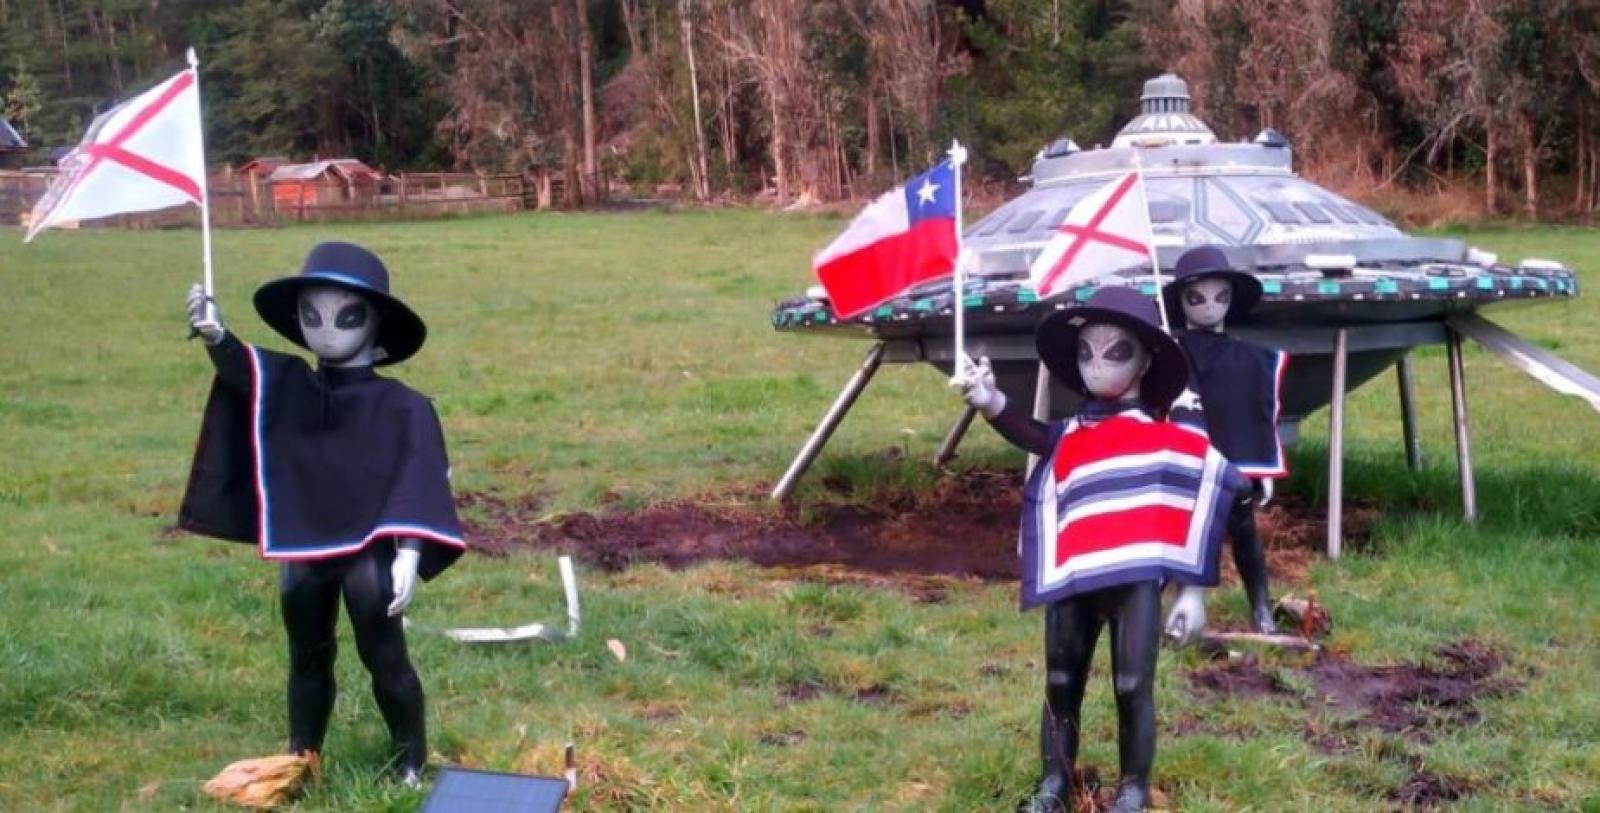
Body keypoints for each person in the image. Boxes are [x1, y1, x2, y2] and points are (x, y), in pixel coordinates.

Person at [178, 241, 465, 785]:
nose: (326, 329)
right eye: (312, 315)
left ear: (376, 324)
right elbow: (248, 374)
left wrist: (409, 551)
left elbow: (419, 476)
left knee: (384, 654)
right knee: (306, 655)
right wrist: (217, 337)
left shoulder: (404, 406)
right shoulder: (294, 388)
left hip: (368, 551)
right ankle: (302, 757)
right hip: (305, 547)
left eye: (346, 316)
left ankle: (409, 760)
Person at [954, 286, 1244, 813]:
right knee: (1060, 680)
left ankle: (1133, 787)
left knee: (1133, 684)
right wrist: (991, 402)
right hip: (1075, 571)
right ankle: (1054, 782)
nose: (1097, 365)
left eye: (1116, 352)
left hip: (1135, 578)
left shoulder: (1167, 439)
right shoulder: (1071, 434)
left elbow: (1220, 489)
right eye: (1085, 352)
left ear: (1145, 360)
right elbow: (1034, 435)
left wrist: (1192, 590)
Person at [1161, 246, 1288, 633]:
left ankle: (1261, 606)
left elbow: (1253, 411)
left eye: (1220, 296)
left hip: (1233, 463)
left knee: (1242, 523)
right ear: (1181, 300)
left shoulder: (1249, 359)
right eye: (1197, 297)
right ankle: (1166, 604)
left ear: (1232, 299)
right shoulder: (1170, 352)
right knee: (1182, 527)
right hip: (1184, 458)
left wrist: (1261, 465)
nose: (1209, 306)